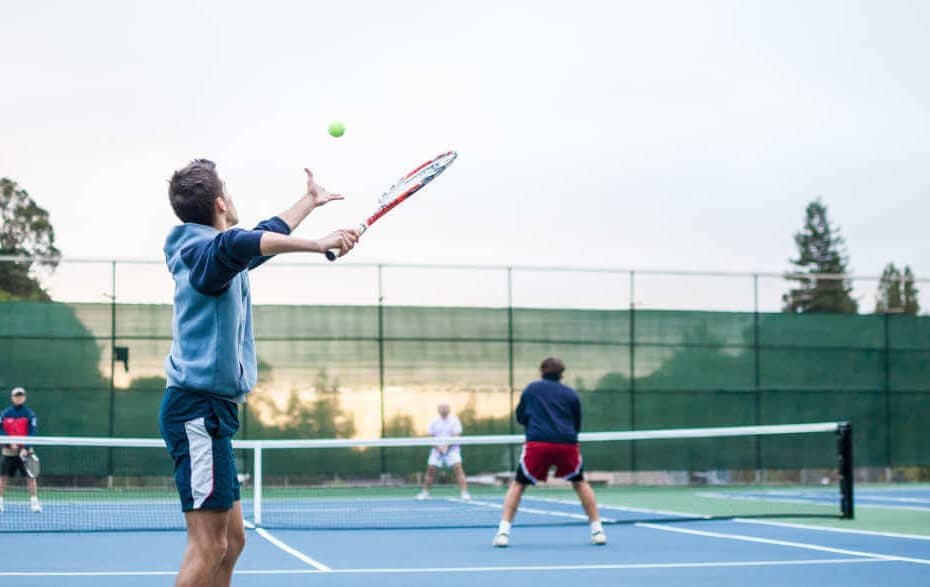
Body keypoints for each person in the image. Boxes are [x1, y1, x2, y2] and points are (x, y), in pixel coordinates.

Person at [159, 159, 358, 587]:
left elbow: (258, 236)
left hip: (215, 412)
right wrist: (317, 243)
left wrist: (309, 202)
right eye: (228, 191)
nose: (233, 198)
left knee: (233, 539)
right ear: (219, 204)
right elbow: (239, 244)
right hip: (196, 410)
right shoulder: (203, 254)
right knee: (209, 544)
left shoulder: (217, 254)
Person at [493, 357, 606, 547]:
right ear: (562, 373)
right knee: (580, 483)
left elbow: (521, 417)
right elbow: (576, 423)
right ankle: (597, 530)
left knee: (518, 485)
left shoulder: (531, 390)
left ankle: (503, 533)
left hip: (538, 444)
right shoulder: (571, 394)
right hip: (566, 444)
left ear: (541, 371)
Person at [417, 403, 470, 501]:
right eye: (441, 408)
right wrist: (439, 448)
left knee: (458, 468)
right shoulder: (434, 421)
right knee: (430, 469)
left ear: (449, 409)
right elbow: (430, 437)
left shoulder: (455, 420)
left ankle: (465, 493)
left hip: (452, 450)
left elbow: (456, 435)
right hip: (436, 450)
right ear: (438, 410)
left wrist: (447, 446)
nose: (443, 409)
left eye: (445, 408)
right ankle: (425, 492)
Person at [0, 387, 41, 513]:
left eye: (21, 395)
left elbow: (32, 432)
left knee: (31, 476)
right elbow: (0, 430)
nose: (19, 397)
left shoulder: (30, 414)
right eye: (16, 395)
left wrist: (26, 447)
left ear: (24, 397)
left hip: (26, 451)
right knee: (3, 477)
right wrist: (9, 442)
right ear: (12, 398)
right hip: (9, 450)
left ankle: (34, 503)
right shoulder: (5, 413)